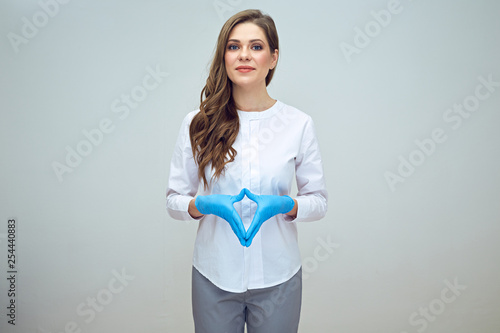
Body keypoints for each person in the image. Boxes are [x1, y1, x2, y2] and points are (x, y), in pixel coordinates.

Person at [166, 9, 327, 333]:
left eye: (256, 47)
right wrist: (202, 205)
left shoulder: (297, 124)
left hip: (278, 276)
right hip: (214, 274)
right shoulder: (198, 123)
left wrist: (288, 205)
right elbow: (173, 200)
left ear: (273, 58)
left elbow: (319, 201)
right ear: (223, 56)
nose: (244, 55)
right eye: (233, 46)